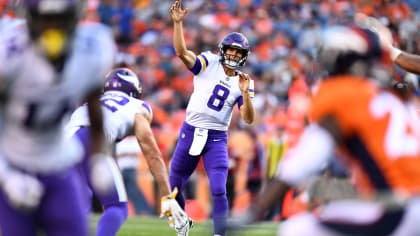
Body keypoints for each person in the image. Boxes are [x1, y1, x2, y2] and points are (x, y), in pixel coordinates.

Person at [228, 24, 420, 236]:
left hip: (396, 209)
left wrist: (256, 209)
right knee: (337, 210)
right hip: (409, 203)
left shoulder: (342, 94)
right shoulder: (397, 96)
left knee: (296, 230)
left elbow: (305, 160)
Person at [0, 0, 117, 235]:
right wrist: (6, 174)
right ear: (30, 19)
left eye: (60, 19)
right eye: (44, 19)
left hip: (58, 164)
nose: (52, 28)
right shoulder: (8, 52)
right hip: (14, 160)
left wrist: (99, 159)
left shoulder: (92, 49)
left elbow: (94, 109)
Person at [66, 68, 188, 235]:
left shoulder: (90, 103)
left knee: (77, 206)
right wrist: (167, 195)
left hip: (62, 146)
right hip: (90, 141)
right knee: (116, 206)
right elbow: (151, 151)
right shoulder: (137, 106)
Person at [168, 0, 256, 235]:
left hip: (216, 137)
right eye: (231, 50)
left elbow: (248, 119)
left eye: (239, 52)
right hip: (190, 129)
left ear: (244, 56)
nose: (234, 55)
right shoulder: (209, 62)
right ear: (223, 50)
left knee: (218, 188)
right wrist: (178, 25)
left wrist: (246, 94)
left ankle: (219, 233)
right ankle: (181, 224)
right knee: (175, 184)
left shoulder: (244, 81)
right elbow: (182, 54)